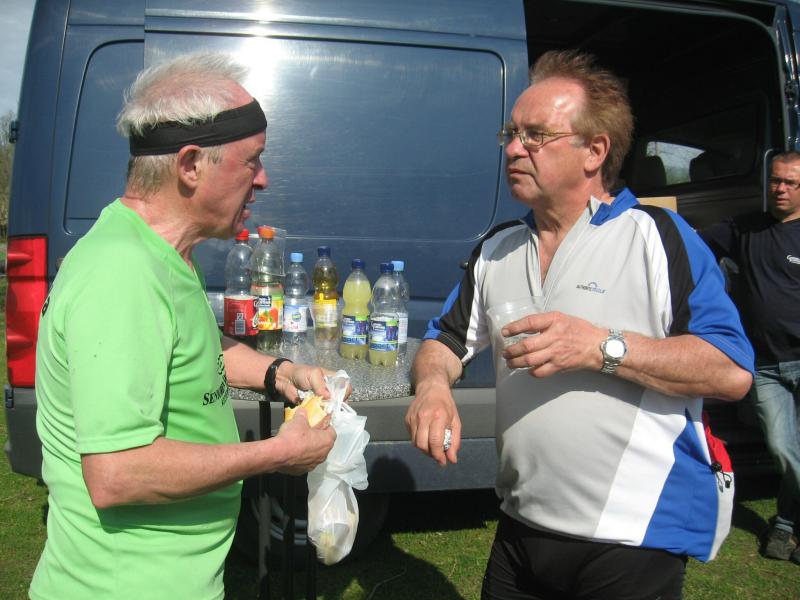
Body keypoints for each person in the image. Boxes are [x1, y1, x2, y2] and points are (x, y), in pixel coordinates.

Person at [405, 50, 754, 600]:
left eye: (536, 136)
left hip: (632, 537)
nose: (514, 149)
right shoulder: (498, 248)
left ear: (595, 151)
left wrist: (601, 347)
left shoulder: (657, 236)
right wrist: (431, 386)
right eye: (511, 134)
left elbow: (731, 371)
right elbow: (445, 340)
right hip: (521, 522)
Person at [29, 53, 339, 600]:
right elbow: (118, 473)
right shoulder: (123, 273)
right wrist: (277, 454)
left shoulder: (163, 253)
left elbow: (194, 345)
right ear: (191, 165)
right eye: (252, 161)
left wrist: (280, 371)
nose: (263, 180)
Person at [701, 151, 800, 565]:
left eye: (791, 183)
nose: (780, 189)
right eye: (775, 180)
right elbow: (691, 242)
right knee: (783, 449)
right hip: (764, 366)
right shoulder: (744, 228)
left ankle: (786, 524)